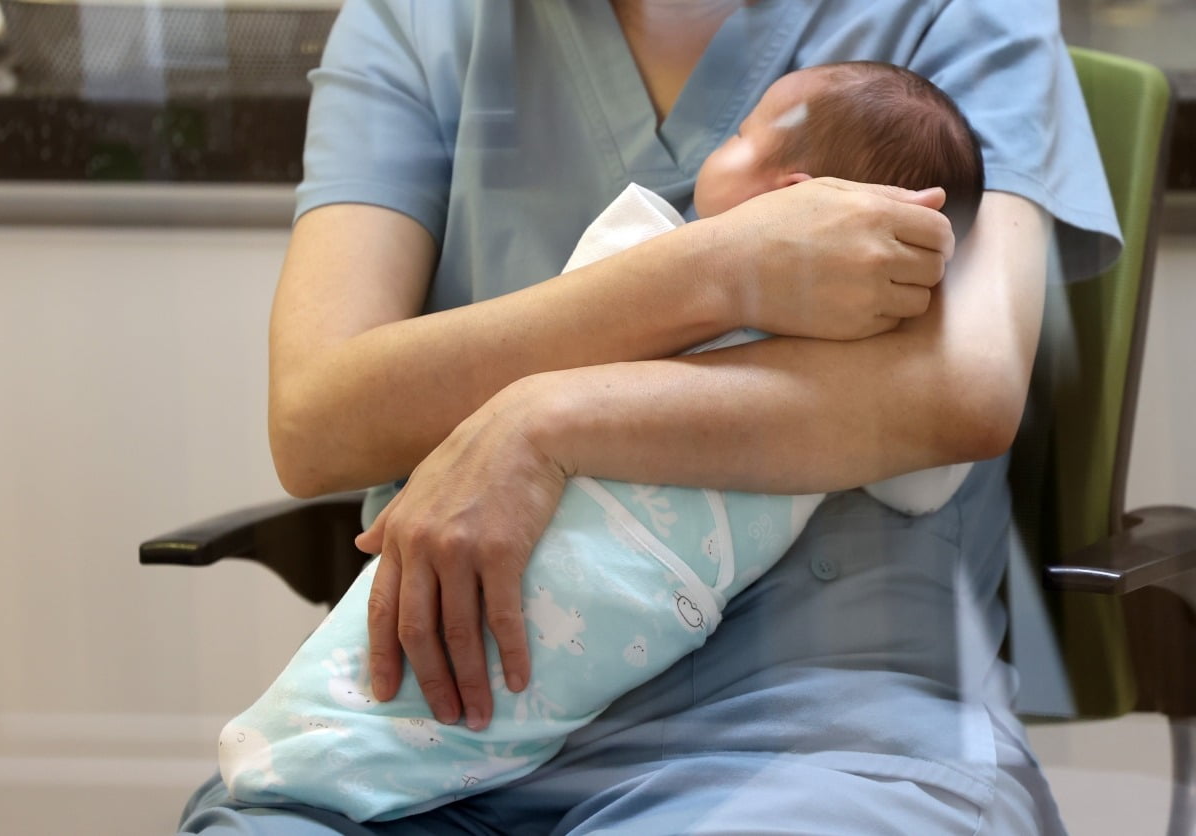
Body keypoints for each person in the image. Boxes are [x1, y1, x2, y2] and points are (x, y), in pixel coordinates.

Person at [180, 1, 1121, 833]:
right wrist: (719, 268)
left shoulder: (959, 11)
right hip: (435, 738)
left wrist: (545, 417)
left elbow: (963, 391)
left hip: (815, 743)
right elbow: (317, 422)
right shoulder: (416, 24)